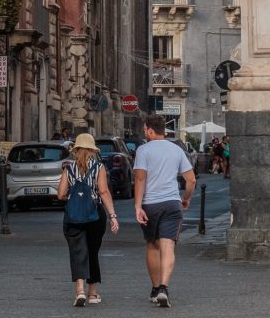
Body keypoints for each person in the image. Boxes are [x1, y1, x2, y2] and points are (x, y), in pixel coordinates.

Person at [133, 114, 196, 309]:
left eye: (145, 129)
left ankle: (154, 289)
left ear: (151, 130)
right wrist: (185, 199)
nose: (145, 132)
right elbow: (191, 180)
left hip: (151, 204)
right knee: (168, 247)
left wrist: (138, 206)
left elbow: (140, 178)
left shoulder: (143, 150)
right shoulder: (176, 150)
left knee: (152, 246)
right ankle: (164, 288)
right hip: (171, 203)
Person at [56, 132, 119, 307]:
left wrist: (74, 194)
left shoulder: (68, 168)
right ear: (92, 150)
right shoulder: (98, 167)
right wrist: (113, 216)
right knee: (92, 251)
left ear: (75, 150)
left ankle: (80, 291)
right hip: (95, 215)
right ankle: (92, 292)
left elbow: (60, 194)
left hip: (73, 216)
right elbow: (104, 192)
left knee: (77, 252)